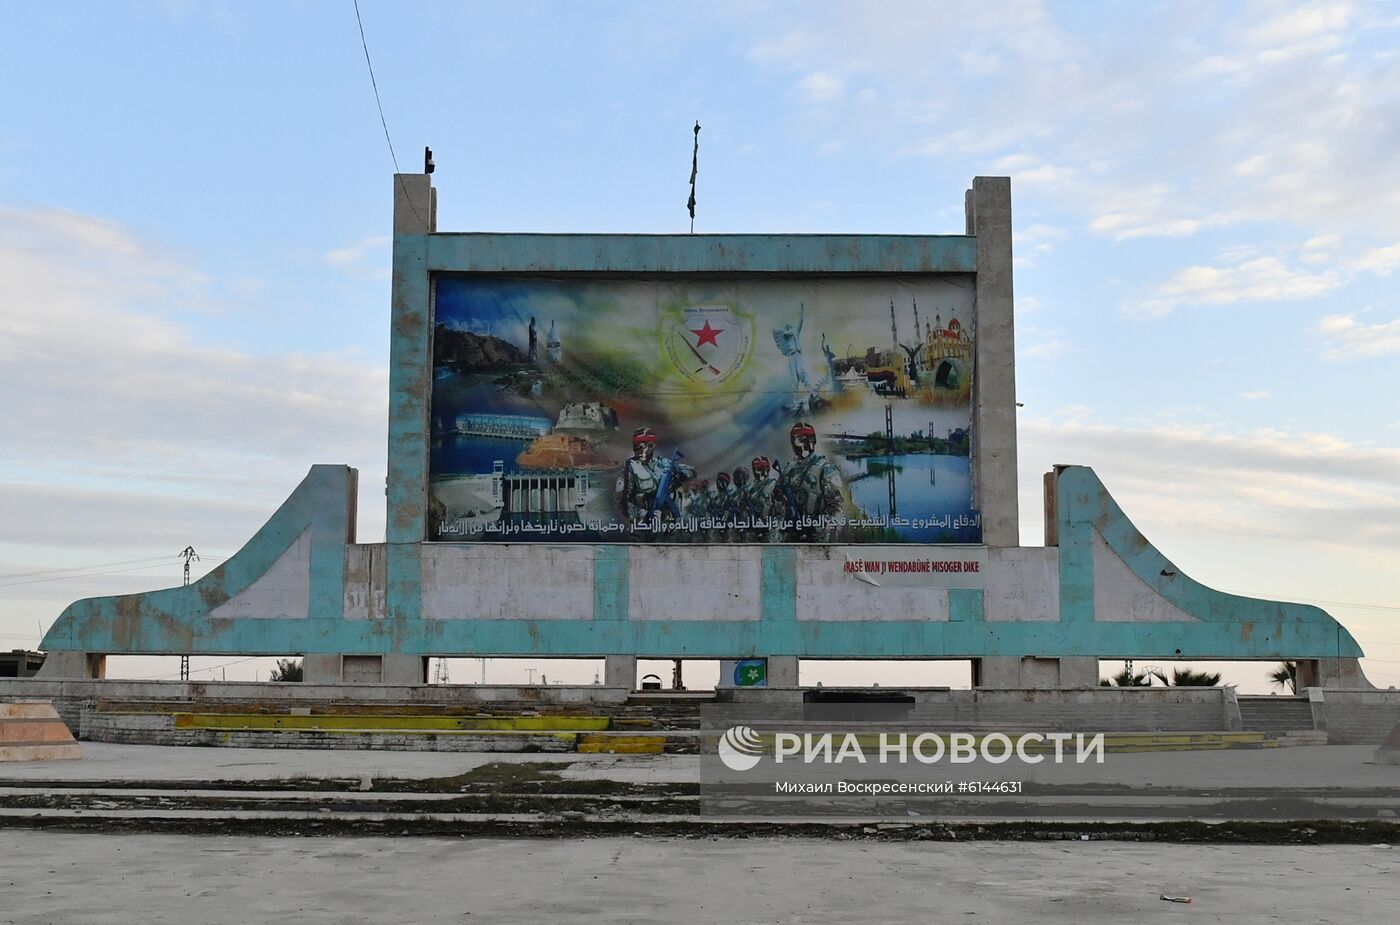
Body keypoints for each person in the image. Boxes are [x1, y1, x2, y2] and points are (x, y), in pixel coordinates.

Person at [776, 421, 845, 542]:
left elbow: (837, 508)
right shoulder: (787, 470)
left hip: (817, 538)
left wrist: (816, 529)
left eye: (811, 439)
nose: (807, 444)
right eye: (802, 440)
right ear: (793, 443)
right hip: (791, 534)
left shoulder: (826, 469)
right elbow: (778, 507)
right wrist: (778, 497)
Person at [615, 426, 694, 531]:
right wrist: (644, 515)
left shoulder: (662, 464)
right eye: (635, 445)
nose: (638, 449)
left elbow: (691, 472)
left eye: (641, 445)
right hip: (643, 525)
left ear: (651, 446)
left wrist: (675, 478)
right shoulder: (630, 468)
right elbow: (621, 502)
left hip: (666, 525)